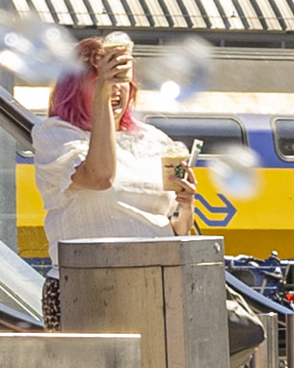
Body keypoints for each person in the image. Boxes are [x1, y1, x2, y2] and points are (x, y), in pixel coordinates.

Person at [28, 29, 183, 278]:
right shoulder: (56, 134)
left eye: (120, 79)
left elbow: (176, 228)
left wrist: (187, 203)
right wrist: (103, 94)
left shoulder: (155, 140)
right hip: (87, 285)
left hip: (155, 283)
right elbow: (100, 177)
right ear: (75, 87)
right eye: (99, 78)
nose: (115, 89)